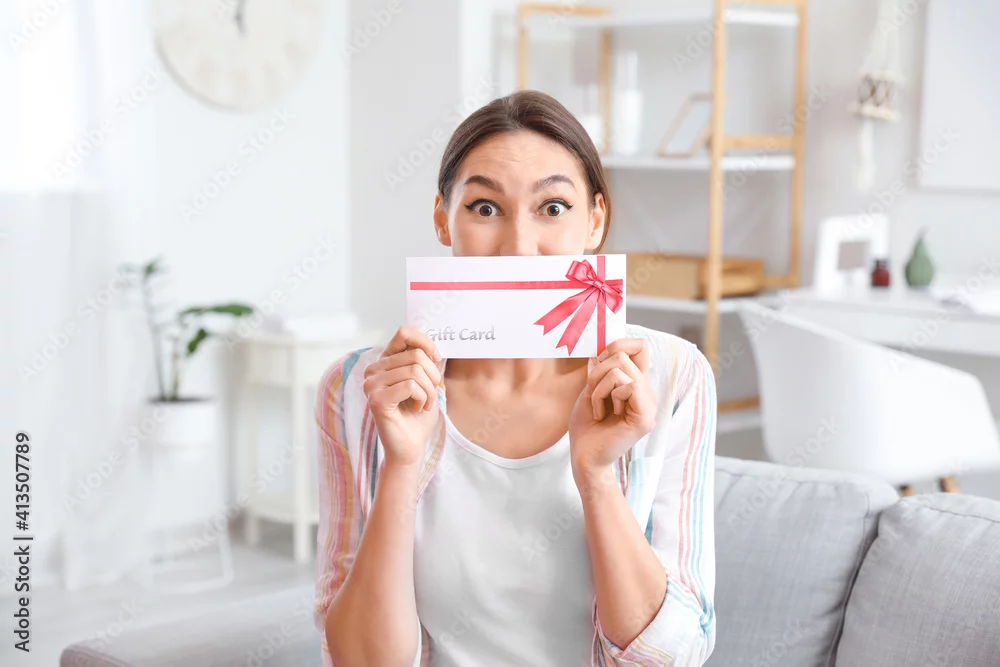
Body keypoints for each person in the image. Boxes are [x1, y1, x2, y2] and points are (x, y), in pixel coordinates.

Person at [313, 89, 717, 667]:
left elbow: (672, 657)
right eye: (484, 208)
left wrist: (597, 477)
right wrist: (400, 466)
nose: (518, 249)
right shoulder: (356, 390)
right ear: (442, 219)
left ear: (595, 220)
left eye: (552, 208)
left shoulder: (673, 377)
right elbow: (359, 661)